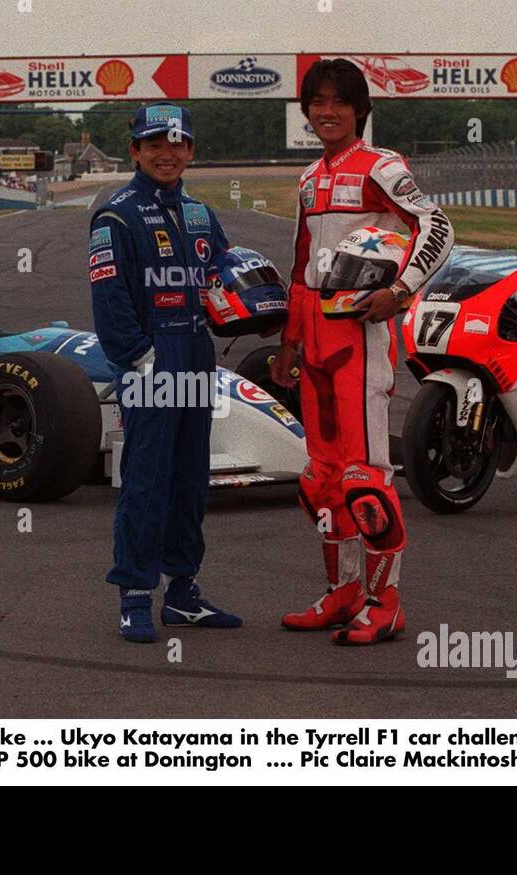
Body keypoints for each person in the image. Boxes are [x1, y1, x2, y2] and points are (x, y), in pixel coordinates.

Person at [271, 58, 455, 646]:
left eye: (338, 103)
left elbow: (439, 229)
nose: (326, 112)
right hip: (317, 344)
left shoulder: (383, 167)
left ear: (359, 110)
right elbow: (301, 269)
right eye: (316, 103)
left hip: (363, 338)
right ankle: (344, 591)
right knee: (320, 479)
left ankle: (386, 603)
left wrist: (399, 292)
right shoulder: (306, 179)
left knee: (364, 478)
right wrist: (289, 343)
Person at [89, 102, 242, 643]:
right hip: (151, 363)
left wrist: (253, 299)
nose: (167, 152)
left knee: (191, 479)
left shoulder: (201, 214)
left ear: (192, 150)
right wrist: (140, 358)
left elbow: (225, 276)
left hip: (197, 356)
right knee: (147, 479)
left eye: (177, 143)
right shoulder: (117, 214)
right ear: (134, 150)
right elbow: (109, 301)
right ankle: (134, 593)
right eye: (154, 143)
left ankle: (182, 594)